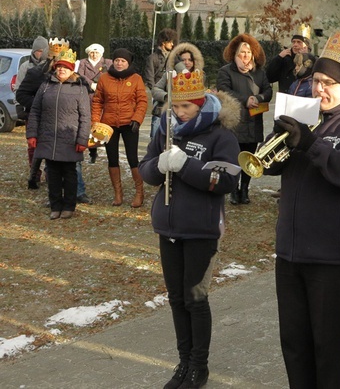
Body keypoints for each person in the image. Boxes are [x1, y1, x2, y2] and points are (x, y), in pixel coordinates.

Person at [265, 32, 340, 388]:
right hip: (290, 252)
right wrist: (274, 143)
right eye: (316, 81)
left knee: (328, 346)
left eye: (329, 83)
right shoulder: (306, 116)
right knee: (295, 344)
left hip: (333, 256)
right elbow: (270, 168)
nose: (320, 89)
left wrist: (312, 144)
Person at [139, 69, 241, 389]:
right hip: (168, 225)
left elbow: (225, 180)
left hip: (200, 227)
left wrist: (186, 165)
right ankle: (183, 362)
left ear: (200, 104)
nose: (179, 113)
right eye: (175, 106)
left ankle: (199, 366)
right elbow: (146, 170)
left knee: (195, 297)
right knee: (176, 298)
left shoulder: (220, 135)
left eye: (186, 107)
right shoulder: (166, 130)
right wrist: (160, 165)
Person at [25, 49, 91, 220]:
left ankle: (69, 206)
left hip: (70, 138)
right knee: (52, 173)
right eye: (59, 67)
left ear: (72, 70)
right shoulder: (46, 86)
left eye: (65, 68)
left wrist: (82, 139)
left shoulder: (80, 88)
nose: (61, 70)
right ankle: (55, 205)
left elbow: (85, 117)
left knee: (69, 173)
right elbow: (35, 111)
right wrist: (32, 134)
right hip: (48, 137)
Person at [216, 34, 272, 205]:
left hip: (253, 123)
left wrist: (260, 97)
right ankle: (233, 189)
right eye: (242, 52)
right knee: (234, 157)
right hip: (235, 122)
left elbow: (268, 91)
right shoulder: (225, 71)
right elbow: (224, 90)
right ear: (234, 54)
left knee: (249, 158)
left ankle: (245, 190)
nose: (245, 55)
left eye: (248, 52)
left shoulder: (259, 73)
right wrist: (245, 99)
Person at [91, 48, 148, 208]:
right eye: (117, 60)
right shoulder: (104, 78)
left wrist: (137, 119)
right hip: (108, 124)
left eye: (123, 61)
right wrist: (95, 121)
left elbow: (142, 101)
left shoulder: (136, 79)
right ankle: (118, 192)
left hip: (129, 123)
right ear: (113, 62)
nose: (119, 63)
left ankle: (139, 192)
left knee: (132, 159)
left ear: (128, 63)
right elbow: (97, 101)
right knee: (112, 158)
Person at [16, 37, 68, 190]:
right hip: (37, 116)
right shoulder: (35, 73)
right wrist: (37, 105)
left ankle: (53, 178)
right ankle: (34, 176)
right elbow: (21, 93)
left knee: (55, 147)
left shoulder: (68, 75)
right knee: (35, 147)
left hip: (59, 118)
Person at [75, 43, 112, 166]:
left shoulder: (107, 63)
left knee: (104, 123)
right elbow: (79, 75)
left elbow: (110, 76)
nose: (94, 55)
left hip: (103, 97)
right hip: (86, 96)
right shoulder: (82, 63)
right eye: (92, 52)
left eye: (96, 52)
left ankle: (109, 150)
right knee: (89, 124)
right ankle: (92, 151)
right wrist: (91, 83)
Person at [144, 28, 178, 138]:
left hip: (172, 93)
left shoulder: (175, 58)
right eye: (170, 42)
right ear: (164, 42)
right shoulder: (152, 57)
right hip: (158, 93)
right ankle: (154, 141)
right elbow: (149, 77)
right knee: (157, 118)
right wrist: (155, 92)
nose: (172, 44)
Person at [267, 25, 312, 94]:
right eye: (293, 42)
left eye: (299, 42)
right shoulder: (284, 60)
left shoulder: (312, 60)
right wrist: (278, 58)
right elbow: (270, 77)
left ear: (305, 46)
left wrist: (306, 56)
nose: (295, 45)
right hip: (285, 98)